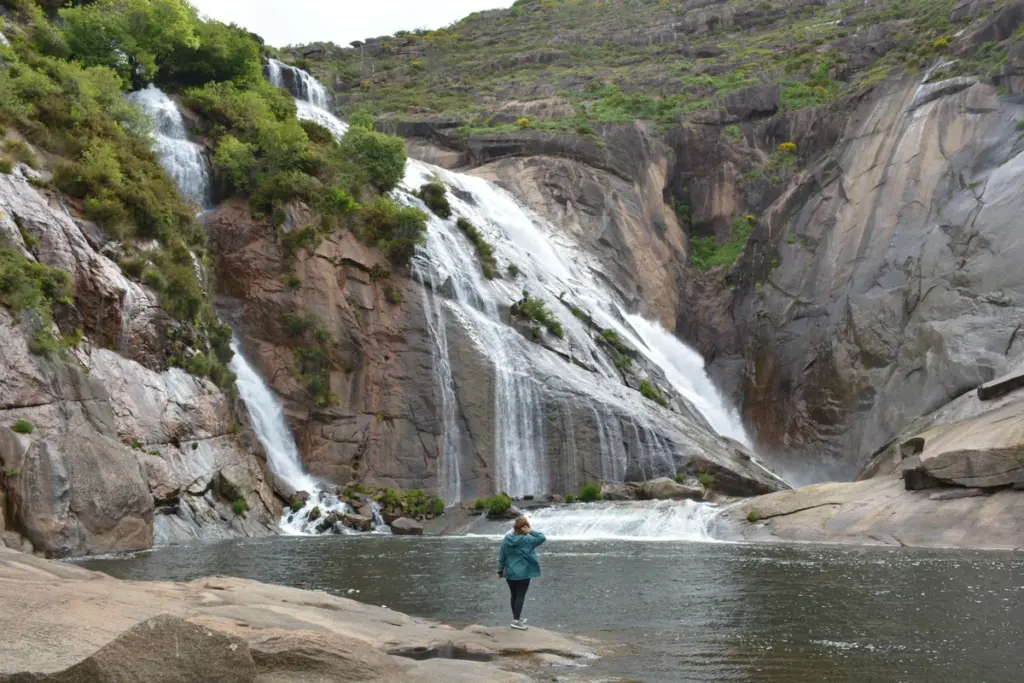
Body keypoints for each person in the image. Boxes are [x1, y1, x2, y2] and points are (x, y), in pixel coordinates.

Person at [496, 516, 546, 630]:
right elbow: (542, 538)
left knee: (514, 595)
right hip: (523, 573)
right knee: (520, 596)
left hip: (510, 572)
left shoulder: (507, 539)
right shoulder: (528, 539)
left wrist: (500, 570)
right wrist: (530, 531)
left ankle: (516, 617)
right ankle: (516, 621)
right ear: (525, 527)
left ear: (514, 528)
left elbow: (502, 556)